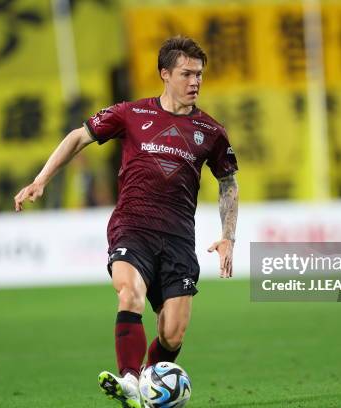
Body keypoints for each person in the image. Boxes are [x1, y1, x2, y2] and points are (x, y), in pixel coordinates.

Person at [14, 36, 239, 407]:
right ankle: (130, 381)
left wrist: (228, 235)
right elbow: (77, 137)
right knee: (129, 292)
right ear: (165, 74)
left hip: (179, 237)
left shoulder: (211, 132)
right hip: (132, 227)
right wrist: (41, 180)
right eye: (186, 74)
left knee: (173, 334)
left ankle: (150, 385)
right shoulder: (132, 114)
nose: (195, 81)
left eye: (199, 74)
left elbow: (228, 181)